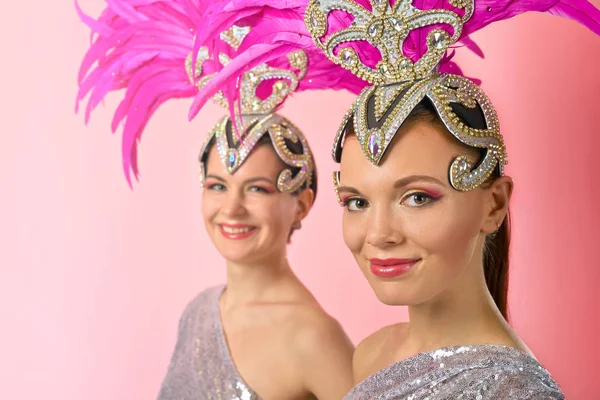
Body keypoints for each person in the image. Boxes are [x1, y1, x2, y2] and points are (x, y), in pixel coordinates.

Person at [299, 0, 600, 398]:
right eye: (357, 202)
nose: (378, 234)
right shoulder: (371, 355)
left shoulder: (517, 393)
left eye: (417, 197)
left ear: (493, 204)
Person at [76, 1, 366, 398]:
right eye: (217, 186)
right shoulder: (198, 312)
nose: (231, 209)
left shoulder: (312, 337)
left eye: (257, 188)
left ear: (301, 203)